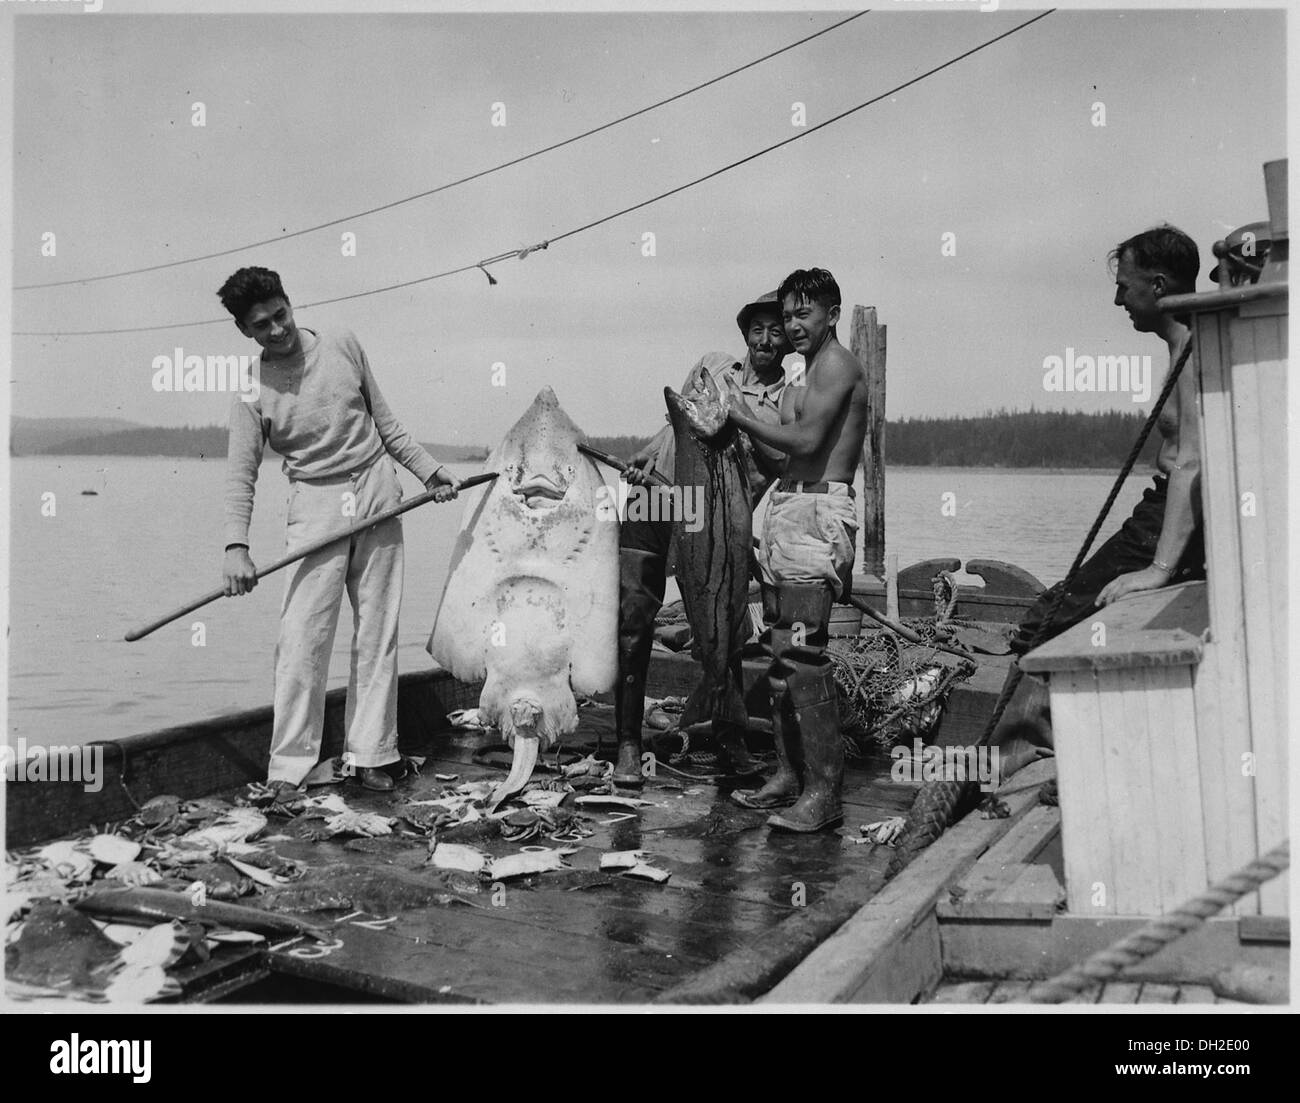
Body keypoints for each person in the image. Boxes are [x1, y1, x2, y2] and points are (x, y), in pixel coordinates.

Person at [218, 267, 457, 795]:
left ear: (289, 302)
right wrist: (237, 545)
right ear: (244, 331)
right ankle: (290, 768)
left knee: (378, 629)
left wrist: (429, 471)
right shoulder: (249, 389)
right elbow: (241, 473)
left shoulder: (343, 344)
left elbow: (386, 422)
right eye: (261, 325)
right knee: (302, 638)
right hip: (316, 504)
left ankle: (372, 753)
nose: (276, 330)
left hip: (376, 488)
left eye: (280, 314)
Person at [994, 226, 1206, 757]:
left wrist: (1158, 570)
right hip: (1165, 510)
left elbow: (1193, 463)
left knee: (1047, 619)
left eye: (1125, 286)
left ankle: (1031, 758)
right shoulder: (1188, 340)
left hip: (1170, 517)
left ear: (1157, 286)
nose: (1118, 299)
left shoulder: (1199, 348)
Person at [613, 291, 791, 788]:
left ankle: (729, 736)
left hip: (713, 525)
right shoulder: (714, 367)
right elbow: (678, 426)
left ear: (789, 342)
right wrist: (645, 458)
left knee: (727, 625)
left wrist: (739, 420)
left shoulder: (784, 405)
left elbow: (772, 469)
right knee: (633, 615)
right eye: (757, 328)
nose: (765, 339)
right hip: (656, 497)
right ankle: (628, 745)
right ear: (745, 333)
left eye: (776, 331)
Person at [725, 268, 868, 833]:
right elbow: (787, 458)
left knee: (804, 657)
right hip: (787, 508)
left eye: (803, 314)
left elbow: (809, 443)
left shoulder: (838, 365)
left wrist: (735, 415)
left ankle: (823, 796)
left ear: (831, 314)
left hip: (820, 512)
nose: (792, 325)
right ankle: (789, 777)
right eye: (786, 315)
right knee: (781, 656)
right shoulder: (797, 378)